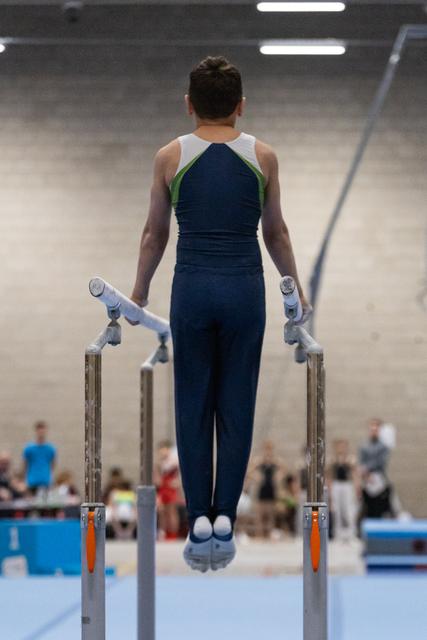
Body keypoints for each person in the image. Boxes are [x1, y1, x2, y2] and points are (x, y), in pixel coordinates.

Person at [128, 56, 310, 572]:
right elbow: (276, 233)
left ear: (189, 105)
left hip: (191, 288)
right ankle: (225, 518)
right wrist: (296, 291)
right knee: (235, 405)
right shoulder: (263, 156)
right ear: (240, 106)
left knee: (193, 404)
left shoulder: (170, 156)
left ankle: (197, 521)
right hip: (244, 291)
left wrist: (139, 292)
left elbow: (154, 233)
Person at [358, 418, 393, 521]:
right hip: (366, 478)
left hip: (378, 477)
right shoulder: (364, 446)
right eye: (372, 429)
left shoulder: (384, 446)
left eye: (376, 429)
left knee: (380, 505)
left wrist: (368, 469)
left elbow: (381, 463)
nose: (374, 431)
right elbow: (361, 462)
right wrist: (365, 473)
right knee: (367, 506)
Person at [251, 441, 283, 539]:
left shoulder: (275, 462)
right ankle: (259, 534)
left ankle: (269, 533)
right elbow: (250, 470)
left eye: (269, 450)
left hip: (271, 489)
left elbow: (283, 469)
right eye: (266, 450)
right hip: (262, 489)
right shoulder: (260, 461)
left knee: (270, 514)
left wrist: (279, 476)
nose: (268, 452)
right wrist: (256, 477)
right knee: (260, 514)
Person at [327, 439, 357, 541]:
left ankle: (351, 533)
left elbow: (354, 473)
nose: (341, 449)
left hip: (347, 485)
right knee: (337, 509)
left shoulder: (350, 459)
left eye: (343, 446)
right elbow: (330, 475)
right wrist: (330, 489)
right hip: (336, 485)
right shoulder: (332, 460)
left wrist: (357, 487)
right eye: (339, 447)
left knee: (348, 509)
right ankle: (337, 533)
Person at [155, 440, 181, 541]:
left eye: (164, 450)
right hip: (162, 487)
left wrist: (177, 482)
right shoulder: (159, 462)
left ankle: (173, 533)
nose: (162, 452)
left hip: (170, 487)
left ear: (168, 450)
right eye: (161, 450)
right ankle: (163, 532)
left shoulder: (174, 462)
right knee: (162, 511)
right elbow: (157, 477)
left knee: (171, 511)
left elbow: (179, 474)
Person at [22, 421, 57, 496]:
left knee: (45, 506)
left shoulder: (51, 449)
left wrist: (50, 478)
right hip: (32, 481)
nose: (41, 433)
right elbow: (25, 465)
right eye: (39, 431)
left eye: (43, 431)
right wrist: (24, 481)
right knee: (31, 505)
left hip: (45, 481)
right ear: (36, 432)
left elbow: (53, 465)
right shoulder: (29, 448)